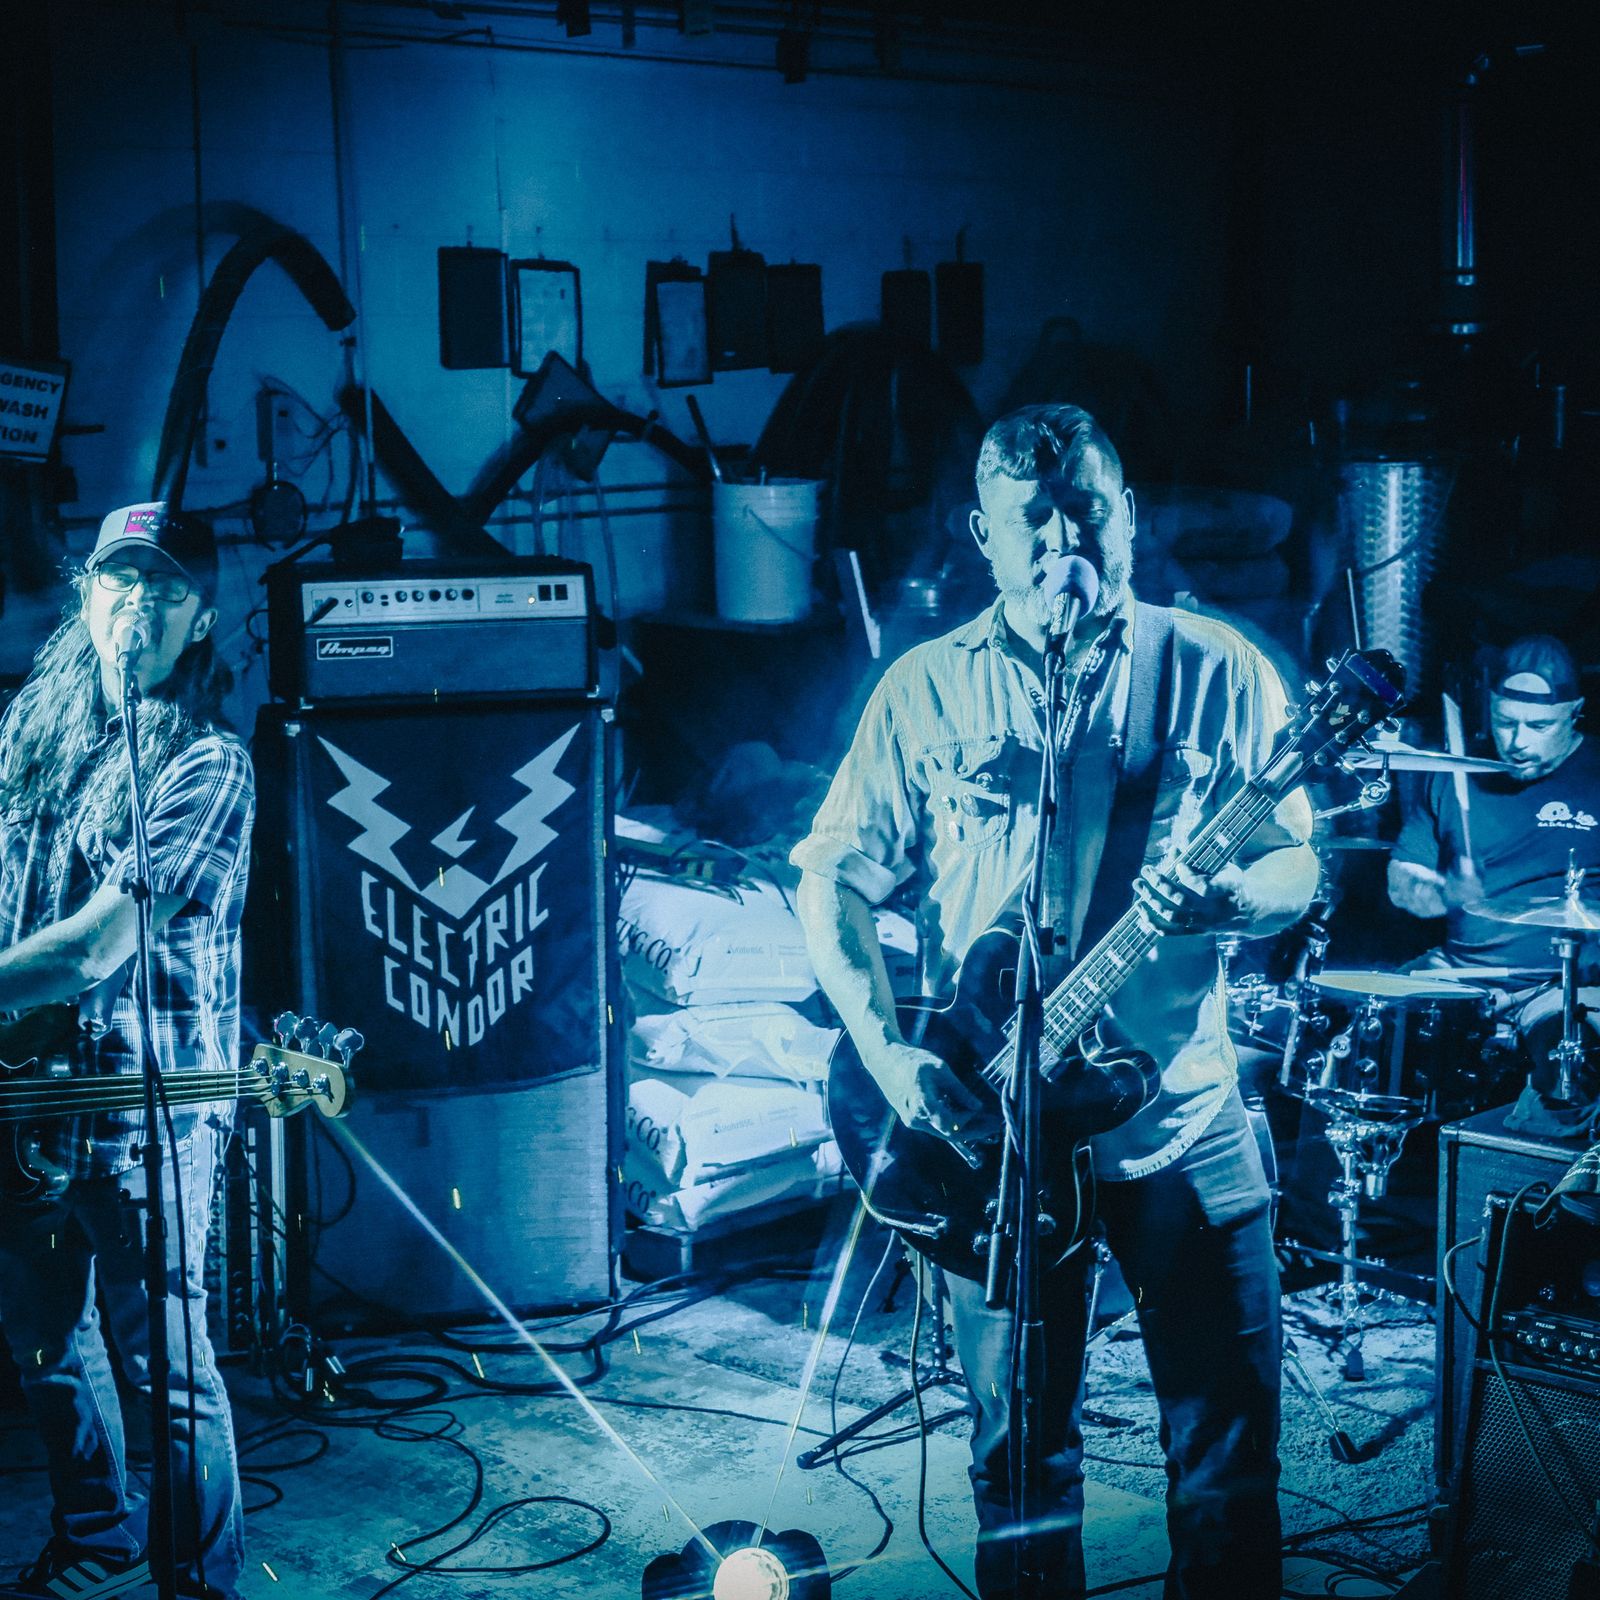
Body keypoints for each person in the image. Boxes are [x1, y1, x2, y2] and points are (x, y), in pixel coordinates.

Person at [792, 404, 1317, 1599]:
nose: (1061, 540)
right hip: (1002, 1141)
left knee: (1228, 1463)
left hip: (1182, 1112)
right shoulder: (923, 690)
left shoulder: (1214, 665)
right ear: (983, 533)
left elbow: (1296, 861)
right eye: (1031, 518)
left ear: (1126, 514)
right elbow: (830, 877)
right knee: (1020, 1471)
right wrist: (888, 1056)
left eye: (1084, 509)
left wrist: (1233, 897)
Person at [0, 503, 254, 1599]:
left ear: (201, 619)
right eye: (121, 579)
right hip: (29, 1105)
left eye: (168, 587)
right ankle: (97, 1535)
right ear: (87, 595)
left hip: (151, 1109)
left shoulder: (208, 764)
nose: (140, 603)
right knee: (46, 1345)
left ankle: (199, 1584)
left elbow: (98, 945)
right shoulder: (32, 736)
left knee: (166, 1372)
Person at [1389, 634, 1600, 973]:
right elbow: (1402, 880)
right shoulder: (1455, 772)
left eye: (1539, 726)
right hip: (1461, 971)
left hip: (1564, 983)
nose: (1518, 742)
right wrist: (1446, 893)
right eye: (1505, 722)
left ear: (1574, 713)